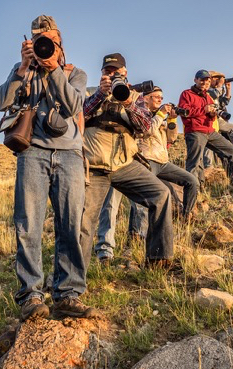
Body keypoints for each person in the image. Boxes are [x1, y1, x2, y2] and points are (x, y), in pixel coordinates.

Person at [0, 15, 96, 321]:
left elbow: (73, 106)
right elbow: (1, 103)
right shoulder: (23, 71)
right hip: (33, 152)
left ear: (59, 41)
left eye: (49, 40)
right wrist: (23, 69)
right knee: (28, 224)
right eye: (38, 40)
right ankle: (31, 295)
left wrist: (53, 69)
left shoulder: (74, 73)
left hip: (69, 155)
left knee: (71, 225)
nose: (43, 45)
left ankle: (68, 293)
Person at [80, 53, 173, 269]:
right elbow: (78, 117)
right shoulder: (89, 93)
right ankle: (75, 278)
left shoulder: (136, 97)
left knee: (161, 194)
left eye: (116, 71)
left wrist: (129, 101)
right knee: (85, 221)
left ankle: (158, 259)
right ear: (102, 73)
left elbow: (147, 128)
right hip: (94, 165)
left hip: (125, 164)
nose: (112, 75)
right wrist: (101, 95)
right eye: (107, 71)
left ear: (125, 73)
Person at [128, 86, 200, 237]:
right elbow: (147, 132)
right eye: (157, 97)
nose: (161, 100)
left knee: (192, 181)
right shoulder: (142, 114)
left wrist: (172, 118)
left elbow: (171, 138)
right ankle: (138, 234)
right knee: (144, 199)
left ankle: (186, 216)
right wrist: (161, 114)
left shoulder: (159, 117)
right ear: (146, 98)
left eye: (162, 97)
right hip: (146, 160)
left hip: (163, 162)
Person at [178, 69, 233, 187]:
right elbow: (184, 112)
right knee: (195, 163)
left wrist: (212, 114)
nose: (205, 82)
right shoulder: (186, 94)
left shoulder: (208, 96)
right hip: (195, 132)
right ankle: (195, 191)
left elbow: (211, 117)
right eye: (202, 80)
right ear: (195, 80)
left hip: (210, 131)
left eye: (207, 80)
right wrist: (204, 110)